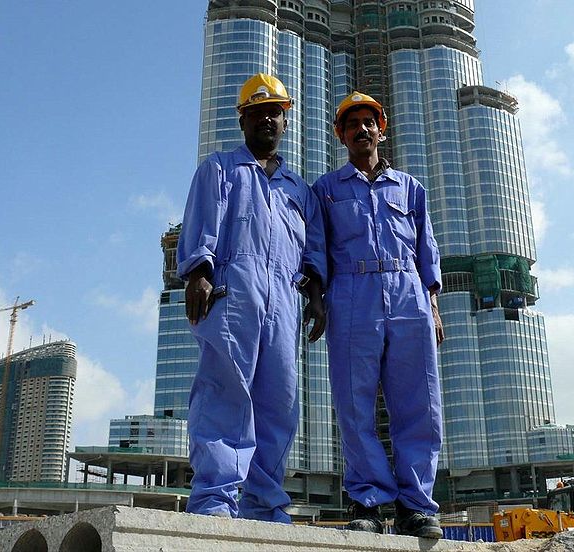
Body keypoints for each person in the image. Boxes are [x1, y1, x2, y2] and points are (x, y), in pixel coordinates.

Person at [177, 73, 326, 523]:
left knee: (278, 402)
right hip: (232, 292)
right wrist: (198, 273)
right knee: (225, 390)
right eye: (257, 111)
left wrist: (316, 297)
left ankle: (264, 504)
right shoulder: (220, 168)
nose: (267, 118)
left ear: (285, 122)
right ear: (243, 120)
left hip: (284, 298)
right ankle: (215, 501)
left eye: (274, 112)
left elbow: (314, 249)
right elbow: (201, 224)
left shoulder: (299, 190)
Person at [312, 92, 445, 538]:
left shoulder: (410, 188)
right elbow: (315, 251)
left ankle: (416, 506)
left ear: (381, 128)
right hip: (351, 295)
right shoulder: (326, 191)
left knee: (419, 404)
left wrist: (433, 305)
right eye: (353, 125)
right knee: (355, 404)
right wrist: (316, 296)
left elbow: (426, 248)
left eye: (369, 122)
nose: (362, 129)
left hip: (409, 295)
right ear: (341, 135)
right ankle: (368, 501)